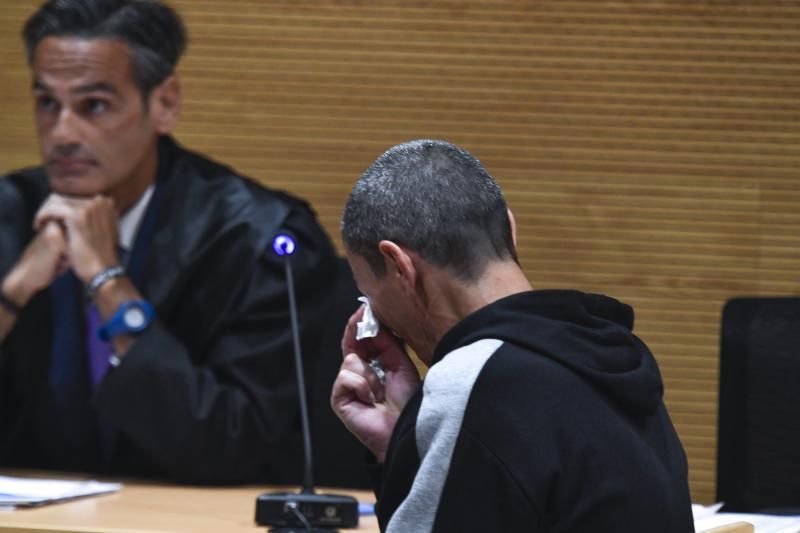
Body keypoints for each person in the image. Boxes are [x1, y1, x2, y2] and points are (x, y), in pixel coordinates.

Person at [0, 0, 338, 484]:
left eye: (93, 105)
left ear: (165, 104)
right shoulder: (9, 215)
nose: (62, 133)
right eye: (47, 103)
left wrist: (107, 280)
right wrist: (11, 294)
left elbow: (229, 443)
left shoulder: (260, 238)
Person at [331, 139, 695, 531]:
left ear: (400, 267)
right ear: (509, 229)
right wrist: (400, 444)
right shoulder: (610, 353)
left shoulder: (472, 382)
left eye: (369, 294)